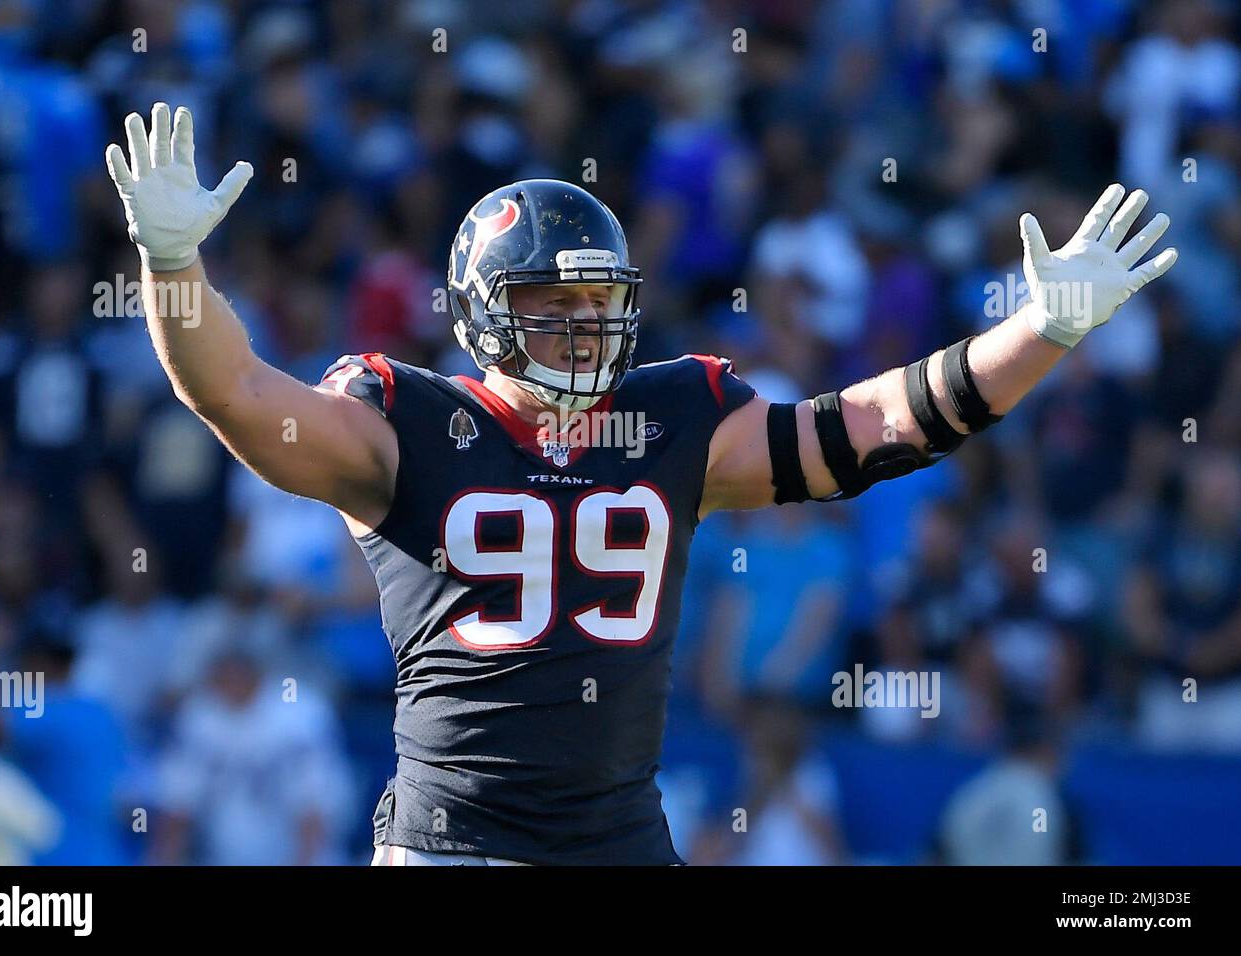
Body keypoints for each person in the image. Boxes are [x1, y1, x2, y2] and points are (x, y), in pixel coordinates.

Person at [105, 102, 1178, 865]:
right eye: (548, 306)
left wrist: (1038, 331)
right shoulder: (404, 421)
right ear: (481, 310)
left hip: (621, 841)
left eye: (595, 305)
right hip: (454, 843)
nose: (581, 330)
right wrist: (172, 267)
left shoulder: (673, 418)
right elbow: (236, 393)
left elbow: (878, 429)